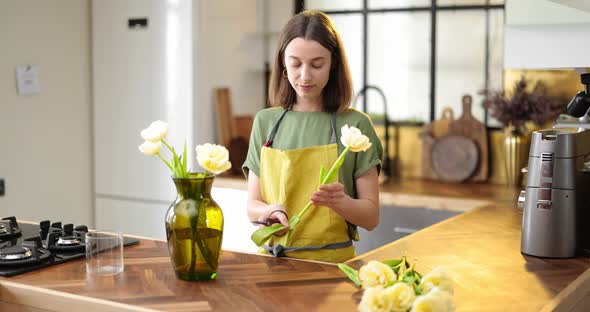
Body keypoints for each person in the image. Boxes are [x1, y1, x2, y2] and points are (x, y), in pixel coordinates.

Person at [242, 11, 383, 263]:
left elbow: (371, 217)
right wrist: (268, 211)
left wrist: (341, 202)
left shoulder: (355, 125)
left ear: (334, 64)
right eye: (295, 64)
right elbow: (252, 204)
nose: (305, 76)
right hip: (272, 264)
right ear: (282, 63)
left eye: (317, 64)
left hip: (332, 267)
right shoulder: (266, 122)